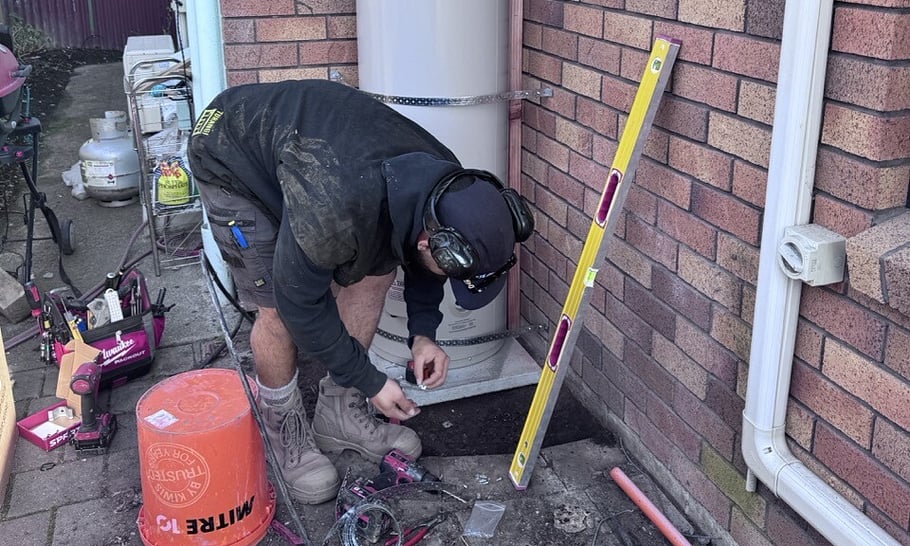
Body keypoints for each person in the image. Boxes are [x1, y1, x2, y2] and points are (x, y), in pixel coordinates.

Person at [187, 79, 534, 504]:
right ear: (432, 240)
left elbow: (419, 256)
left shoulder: (447, 183)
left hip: (310, 151)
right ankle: (286, 433)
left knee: (377, 271)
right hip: (229, 151)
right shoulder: (335, 210)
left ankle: (338, 415)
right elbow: (302, 305)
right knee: (277, 309)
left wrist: (423, 335)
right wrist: (370, 380)